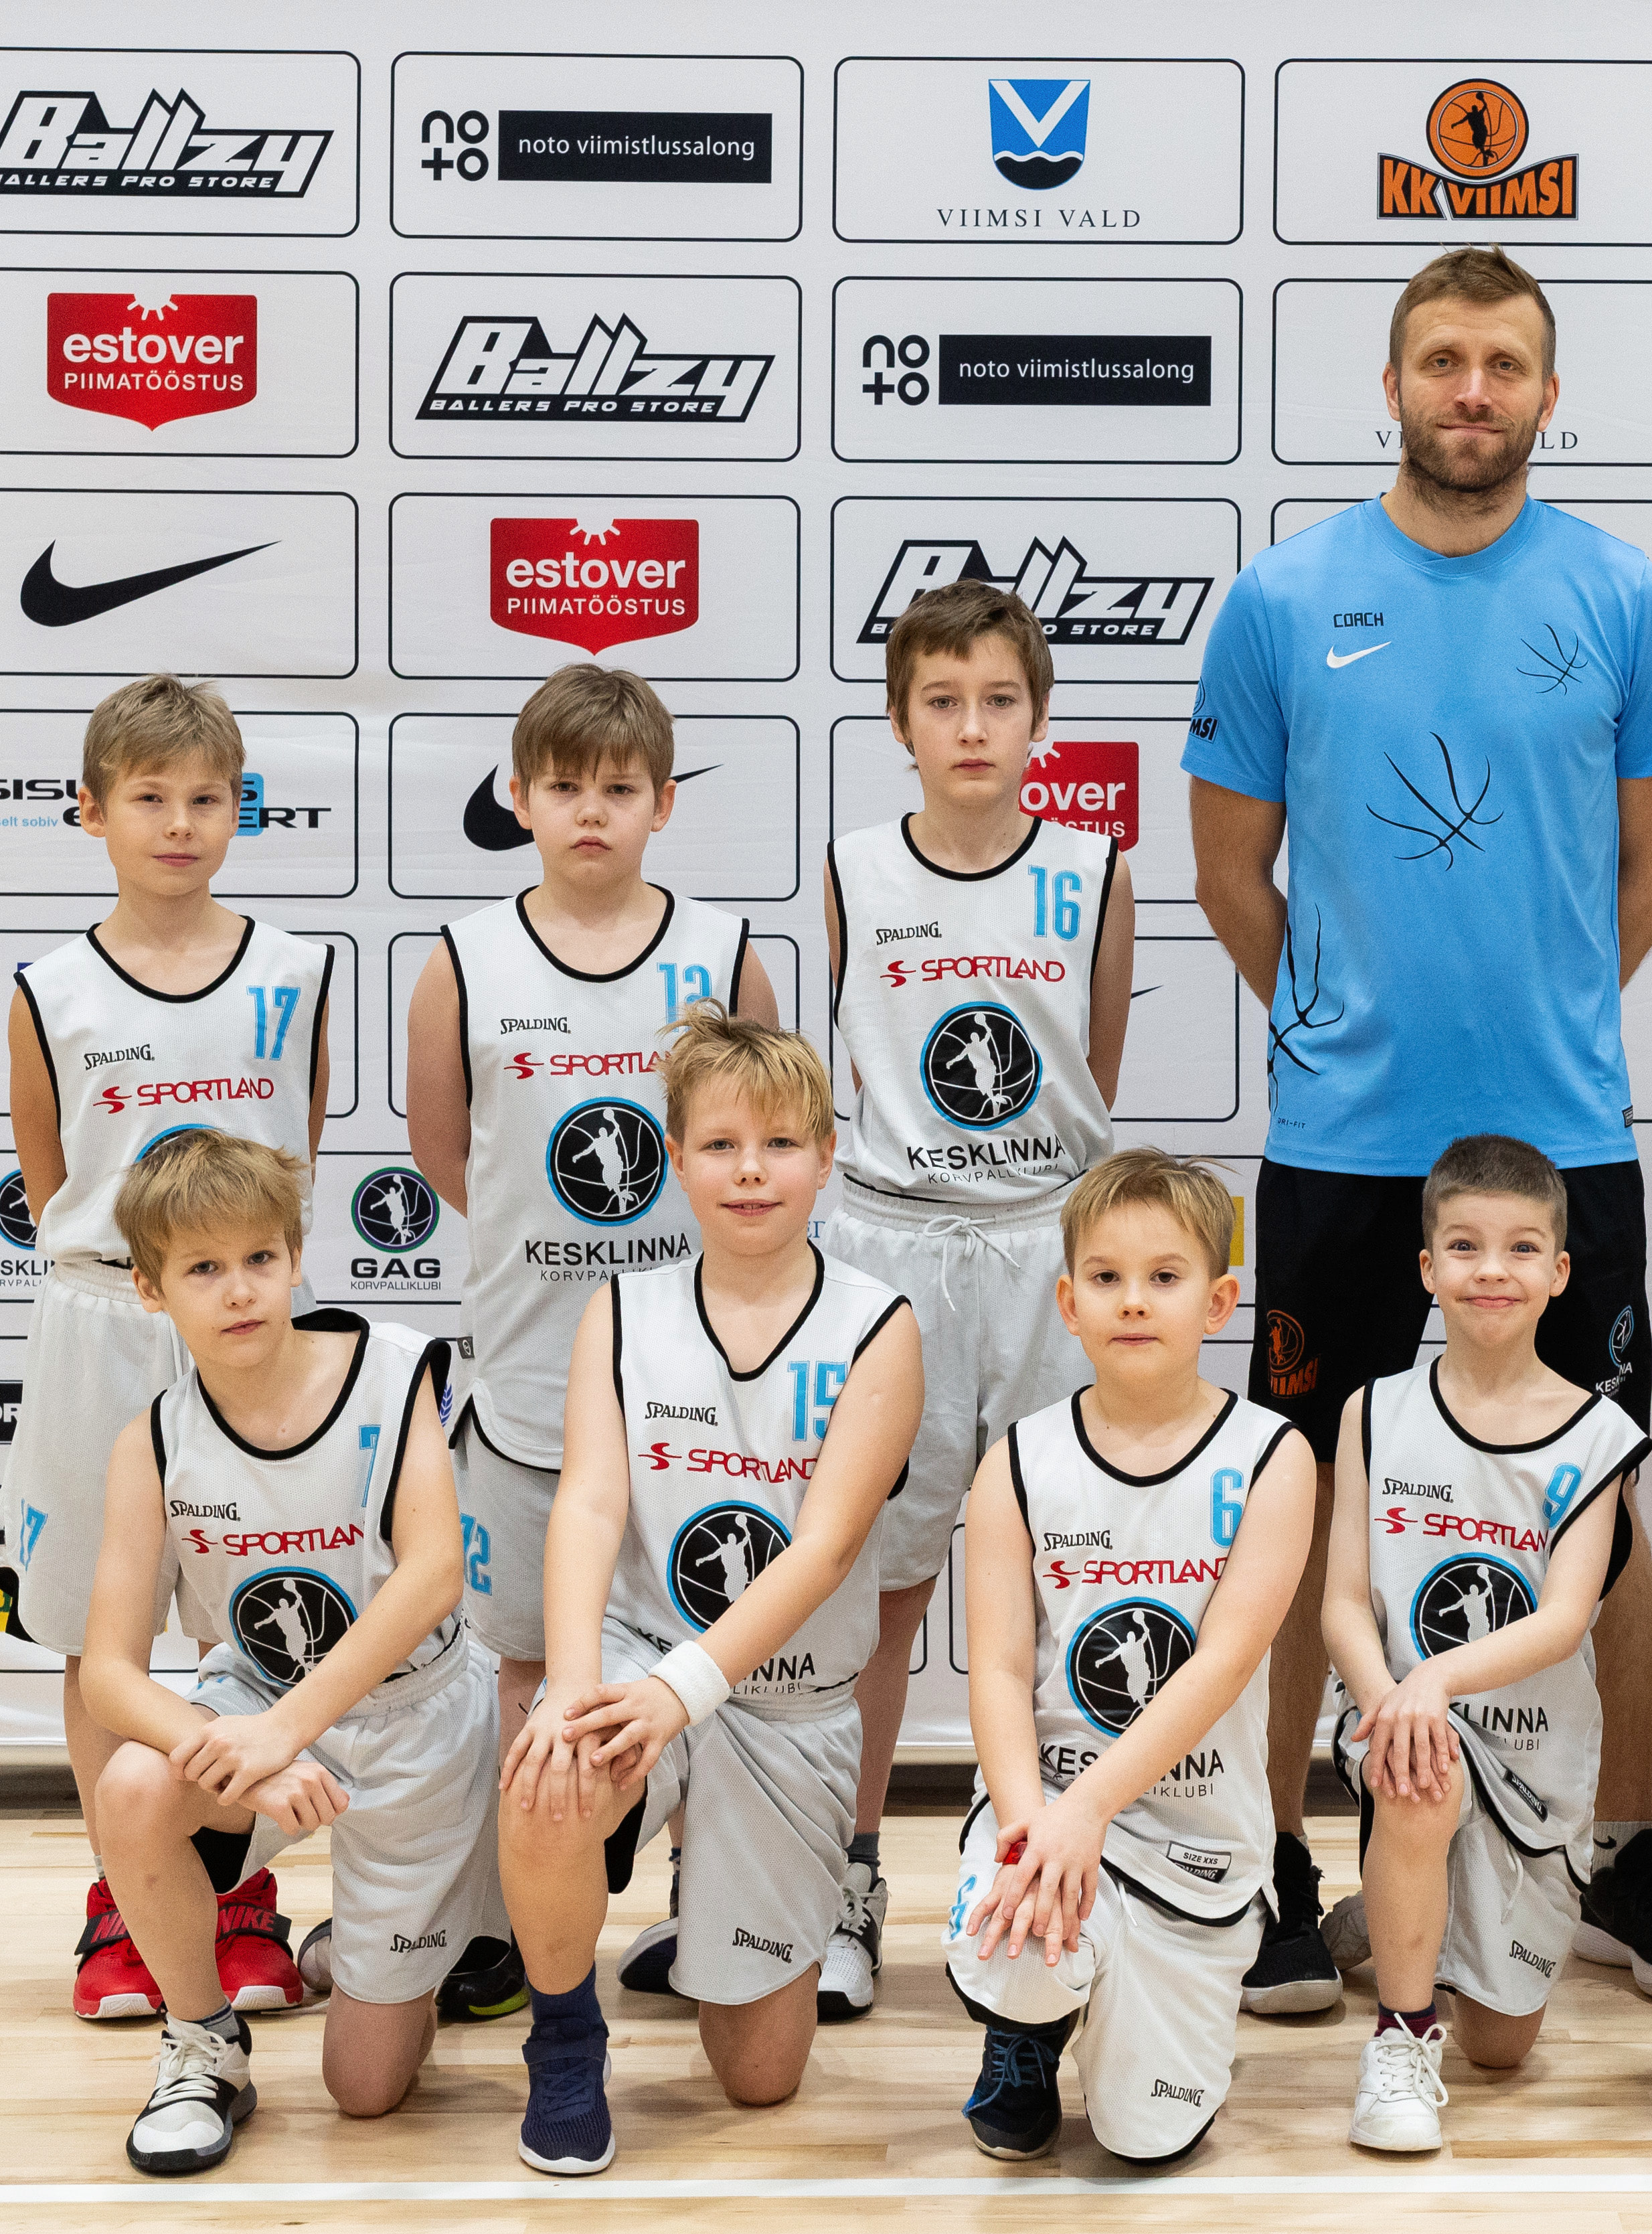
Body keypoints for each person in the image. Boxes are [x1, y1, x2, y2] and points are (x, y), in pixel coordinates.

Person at [1187, 243, 1652, 2013]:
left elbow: (1649, 870)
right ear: (1393, 382)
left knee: (1601, 1499)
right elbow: (1227, 874)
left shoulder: (1620, 596)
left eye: (1500, 364)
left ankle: (1621, 1852)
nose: (1468, 392)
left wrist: (1542, 1013)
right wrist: (1338, 1025)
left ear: (1547, 394)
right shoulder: (1282, 596)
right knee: (1293, 1498)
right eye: (1439, 360)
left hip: (1560, 1138)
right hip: (1343, 1144)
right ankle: (1271, 1860)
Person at [404, 661, 773, 2001]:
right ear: (518, 798)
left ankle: (712, 1910)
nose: (592, 812)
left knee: (705, 1657)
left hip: (702, 1381)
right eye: (564, 787)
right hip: (525, 1374)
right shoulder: (464, 960)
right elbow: (449, 1155)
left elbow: (763, 1143)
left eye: (620, 788)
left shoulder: (720, 955)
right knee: (525, 1661)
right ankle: (523, 1925)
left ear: (664, 802)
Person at [495, 1012, 920, 2176]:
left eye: (779, 1143)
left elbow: (824, 1549)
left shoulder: (878, 1326)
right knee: (548, 1770)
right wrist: (572, 1685)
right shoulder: (621, 1308)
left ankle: (707, 1908)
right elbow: (589, 1503)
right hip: (644, 1651)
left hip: (786, 1702)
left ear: (826, 1155)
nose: (750, 1171)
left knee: (760, 2077)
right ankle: (565, 2040)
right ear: (675, 1159)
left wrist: (683, 1689)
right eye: (721, 1145)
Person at [0, 673, 331, 2022]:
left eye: (206, 799)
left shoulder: (294, 971)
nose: (180, 825)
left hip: (246, 1322)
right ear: (92, 812)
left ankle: (236, 1893)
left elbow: (293, 1157)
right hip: (105, 1323)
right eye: (149, 798)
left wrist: (221, 1278)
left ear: (240, 810)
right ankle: (126, 1900)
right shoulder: (51, 988)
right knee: (104, 1630)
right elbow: (52, 1174)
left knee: (260, 1613)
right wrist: (138, 1280)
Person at [821, 578, 1134, 2020]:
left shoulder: (1091, 866)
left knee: (1069, 1583)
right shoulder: (852, 867)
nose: (970, 726)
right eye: (941, 701)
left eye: (999, 700)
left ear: (1038, 719)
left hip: (1039, 1244)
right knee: (876, 1591)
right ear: (900, 722)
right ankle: (848, 1873)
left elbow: (1093, 1068)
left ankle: (1051, 1869)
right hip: (892, 1248)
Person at [76, 1132, 499, 2176]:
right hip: (259, 1700)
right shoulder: (153, 1440)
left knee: (365, 2091)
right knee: (134, 1784)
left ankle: (416, 1939)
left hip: (417, 1715)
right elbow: (110, 1674)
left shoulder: (394, 1370)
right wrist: (238, 1746)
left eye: (259, 1258)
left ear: (296, 1256)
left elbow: (432, 1576)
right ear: (149, 1288)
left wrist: (278, 1735)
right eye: (202, 1268)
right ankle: (204, 2040)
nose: (239, 1290)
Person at [942, 1149, 1311, 2164]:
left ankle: (1114, 2003)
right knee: (1023, 1949)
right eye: (1106, 1277)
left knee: (1143, 2137)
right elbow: (999, 1670)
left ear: (1219, 1301)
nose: (1133, 1300)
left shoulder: (1272, 1456)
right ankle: (1025, 2028)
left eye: (1165, 1275)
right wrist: (1032, 1827)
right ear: (1068, 1303)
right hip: (1047, 1804)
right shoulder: (1018, 1460)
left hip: (1195, 1833)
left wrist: (1090, 1810)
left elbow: (1222, 1663)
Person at [1317, 1135, 1649, 2152]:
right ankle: (1400, 2033)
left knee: (1501, 2047)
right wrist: (1392, 1697)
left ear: (1559, 1272)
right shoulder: (1374, 1410)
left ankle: (1392, 1912)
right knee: (1421, 1772)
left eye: (1520, 1248)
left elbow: (1563, 1618)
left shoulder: (1596, 1434)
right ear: (1427, 1268)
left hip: (1533, 1751)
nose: (1490, 1270)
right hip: (1405, 1724)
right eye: (1463, 1246)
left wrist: (1435, 1675)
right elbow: (1340, 1603)